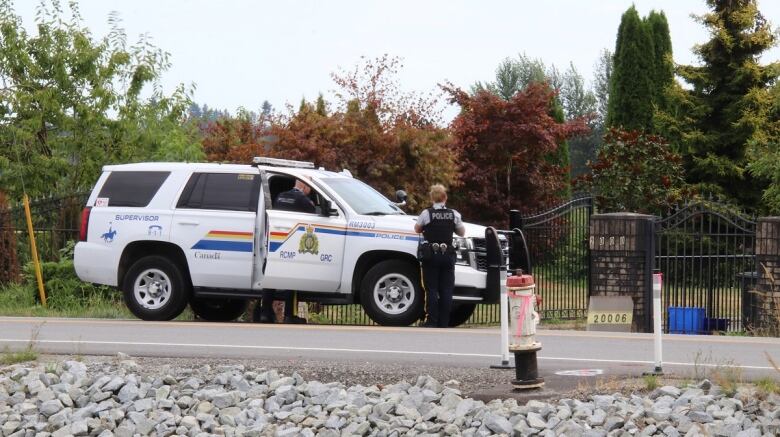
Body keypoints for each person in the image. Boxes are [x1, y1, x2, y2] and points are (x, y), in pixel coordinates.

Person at [259, 178, 316, 324]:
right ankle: (290, 315)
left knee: (270, 277)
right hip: (292, 243)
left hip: (276, 241)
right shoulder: (303, 200)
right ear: (304, 185)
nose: (310, 190)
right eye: (309, 187)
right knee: (292, 279)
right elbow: (313, 213)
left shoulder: (280, 196)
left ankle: (265, 312)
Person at [414, 184, 466, 328]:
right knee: (447, 290)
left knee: (431, 289)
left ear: (432, 198)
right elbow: (462, 232)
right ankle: (444, 322)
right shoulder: (453, 214)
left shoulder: (427, 213)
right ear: (445, 197)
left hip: (430, 255)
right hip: (448, 255)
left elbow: (417, 229)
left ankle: (432, 321)